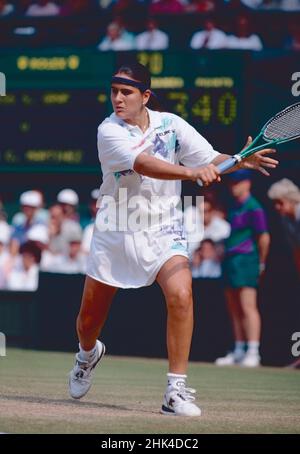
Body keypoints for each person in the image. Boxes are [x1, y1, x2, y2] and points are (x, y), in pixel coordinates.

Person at [68, 62, 278, 416]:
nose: (118, 99)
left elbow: (211, 159)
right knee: (89, 321)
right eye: (114, 92)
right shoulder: (109, 131)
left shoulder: (172, 125)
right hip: (116, 228)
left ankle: (174, 391)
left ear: (145, 96)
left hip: (164, 227)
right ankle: (87, 354)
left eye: (127, 92)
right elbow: (144, 164)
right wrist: (191, 172)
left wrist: (239, 162)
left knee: (181, 294)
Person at [215, 170, 271, 367]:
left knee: (248, 306)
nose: (233, 186)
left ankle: (253, 352)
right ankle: (239, 350)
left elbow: (263, 237)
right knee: (234, 307)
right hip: (230, 261)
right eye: (231, 183)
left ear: (248, 183)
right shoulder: (232, 206)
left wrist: (261, 263)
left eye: (238, 182)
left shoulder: (254, 207)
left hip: (247, 261)